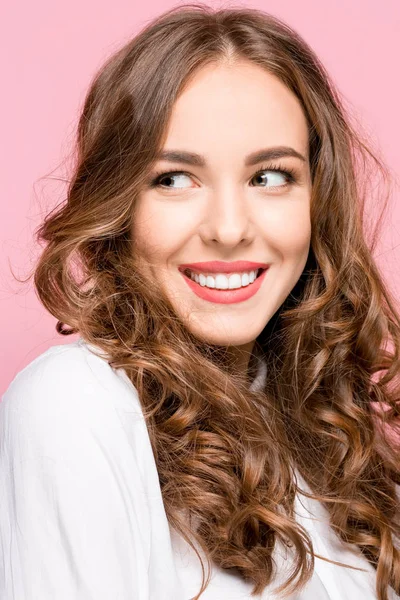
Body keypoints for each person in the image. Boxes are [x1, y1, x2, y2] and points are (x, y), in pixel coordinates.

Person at [1, 4, 400, 600]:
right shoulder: (76, 405)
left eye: (269, 176)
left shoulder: (318, 427)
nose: (230, 228)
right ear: (120, 205)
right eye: (174, 178)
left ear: (317, 198)